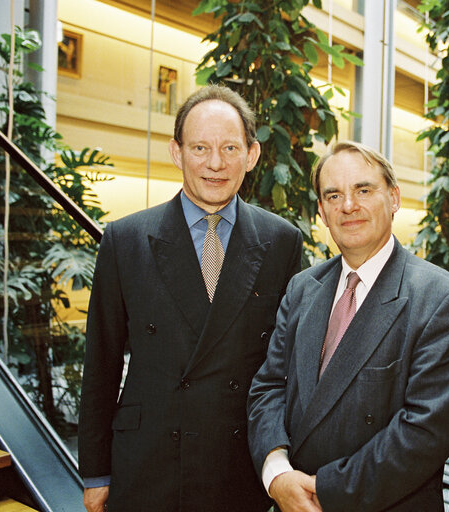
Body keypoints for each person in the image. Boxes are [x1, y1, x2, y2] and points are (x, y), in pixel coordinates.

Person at [78, 85, 303, 512]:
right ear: (176, 152)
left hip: (237, 466)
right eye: (200, 147)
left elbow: (288, 370)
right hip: (148, 463)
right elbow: (101, 363)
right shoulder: (125, 240)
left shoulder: (281, 241)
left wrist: (282, 462)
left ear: (252, 155)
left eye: (230, 148)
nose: (215, 163)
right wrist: (96, 472)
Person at [247, 141, 449, 511]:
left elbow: (425, 431)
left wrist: (322, 492)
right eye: (333, 195)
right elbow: (269, 386)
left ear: (394, 197)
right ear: (321, 211)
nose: (348, 206)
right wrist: (277, 474)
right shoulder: (302, 288)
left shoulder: (442, 299)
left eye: (363, 190)